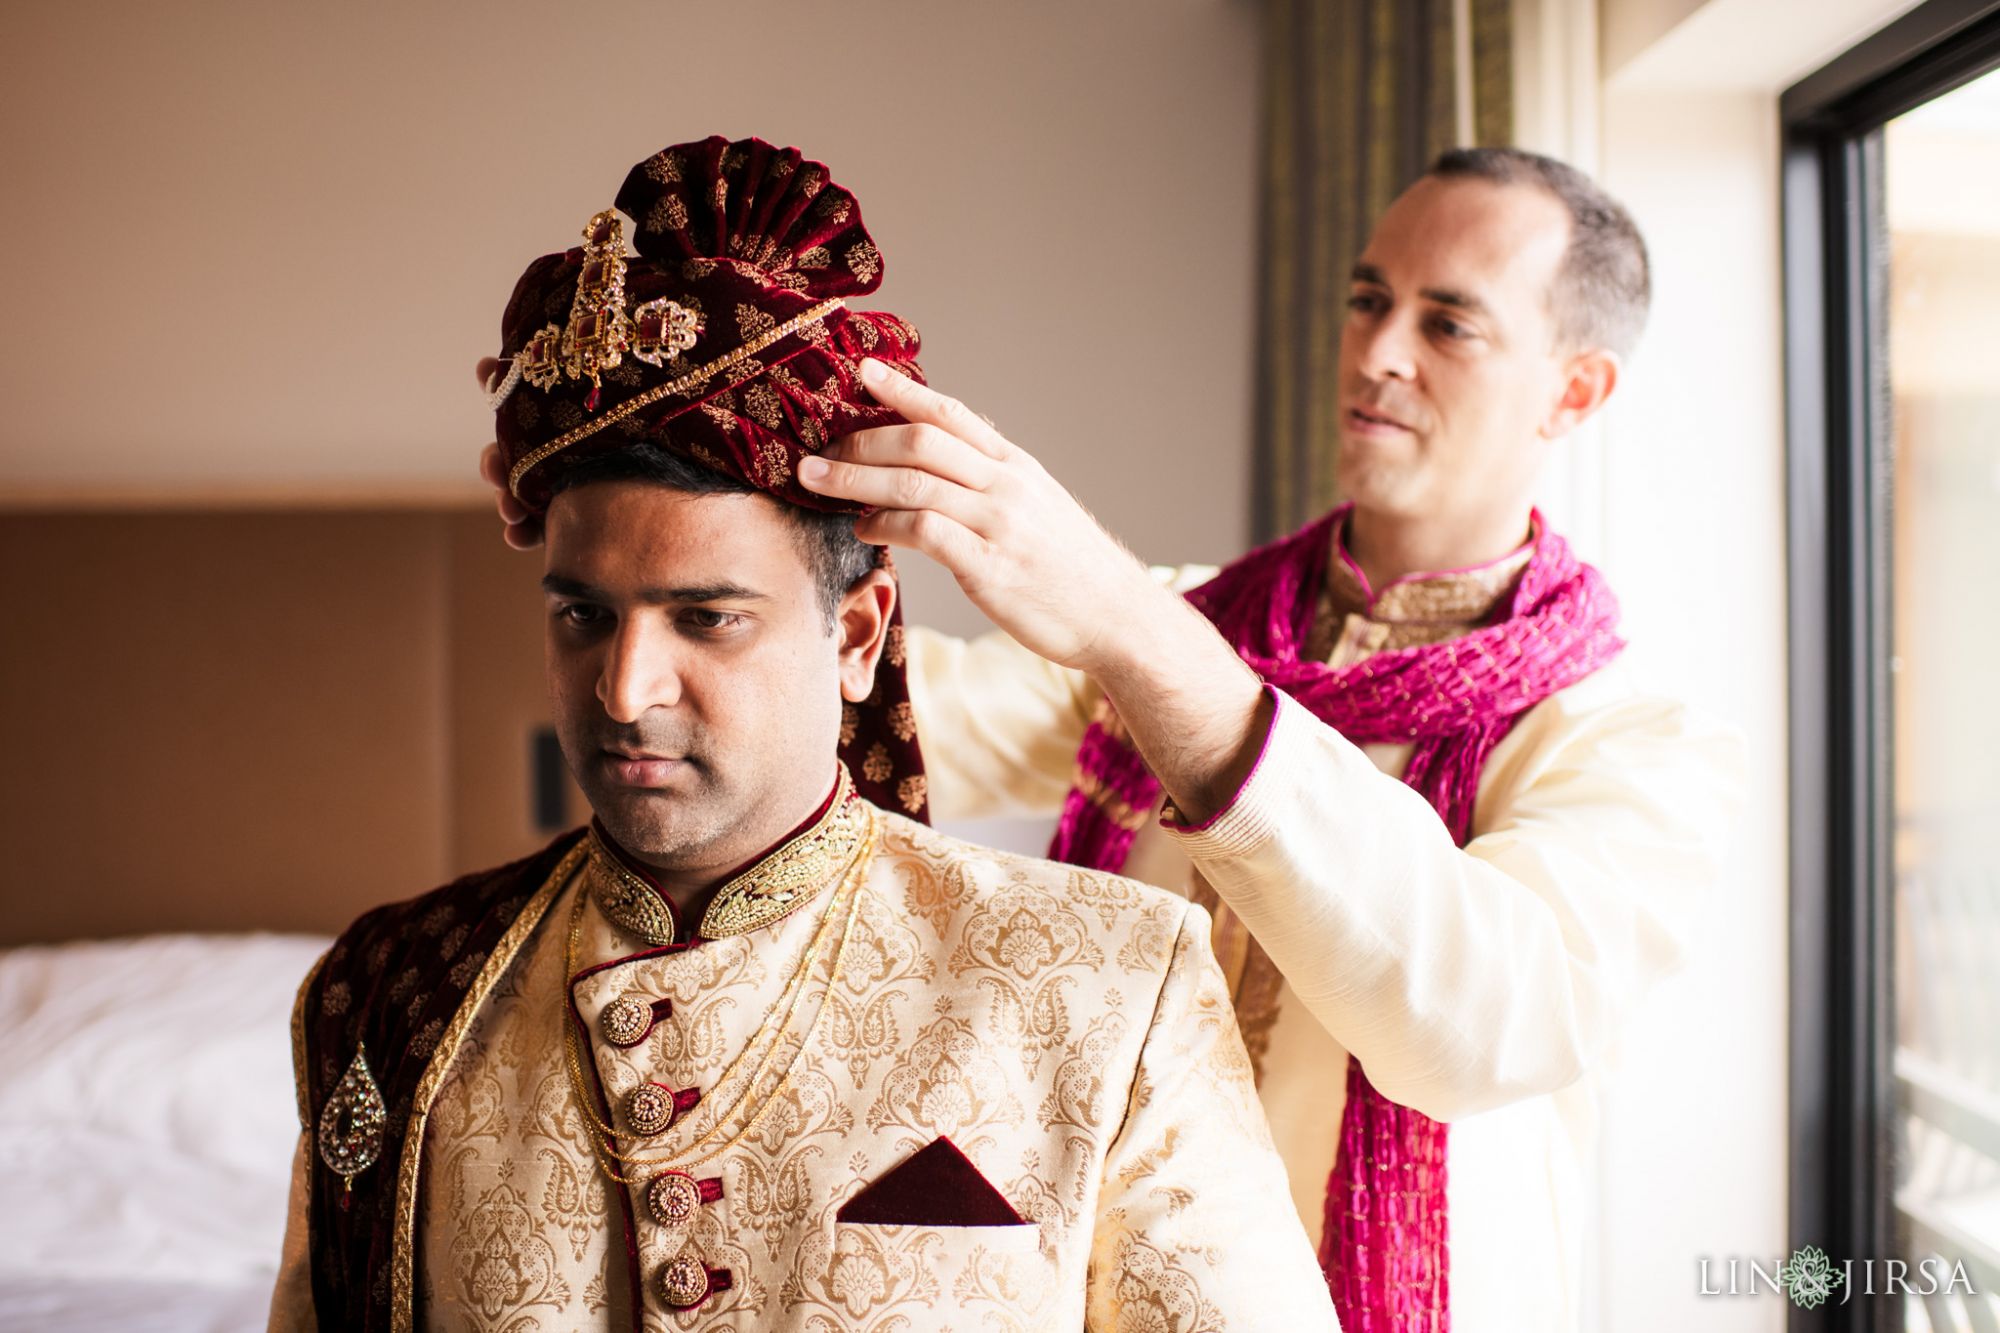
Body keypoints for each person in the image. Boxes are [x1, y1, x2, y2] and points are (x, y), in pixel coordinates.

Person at [486, 147, 1744, 1330]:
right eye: (1368, 301)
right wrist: (669, 499)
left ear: (1574, 389)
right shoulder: (1187, 631)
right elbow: (838, 710)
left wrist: (1132, 628)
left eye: (1447, 322)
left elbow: (1477, 1025)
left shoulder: (1625, 739)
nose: (1378, 353)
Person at [273, 136, 1339, 1333]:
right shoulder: (386, 998)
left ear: (857, 634)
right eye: (583, 616)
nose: (624, 689)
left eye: (707, 619)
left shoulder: (1102, 985)